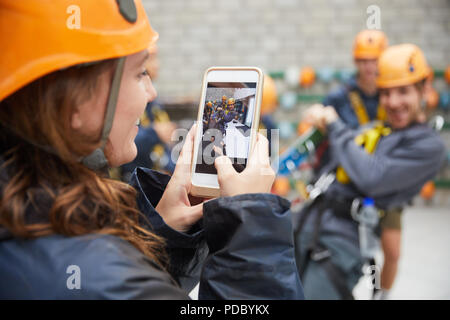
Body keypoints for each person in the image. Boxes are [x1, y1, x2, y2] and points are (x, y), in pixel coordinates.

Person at [0, 0, 304, 299]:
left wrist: (158, 238)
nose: (152, 91)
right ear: (74, 101)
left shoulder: (35, 226)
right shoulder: (100, 275)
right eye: (139, 72)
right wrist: (251, 229)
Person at [293, 44, 446, 300]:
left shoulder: (428, 147)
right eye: (386, 93)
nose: (393, 102)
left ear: (424, 89)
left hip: (340, 242)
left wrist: (334, 124)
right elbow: (342, 154)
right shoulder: (380, 129)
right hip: (309, 221)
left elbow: (373, 177)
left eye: (403, 92)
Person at [319, 30, 405, 298]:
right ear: (356, 62)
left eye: (375, 60)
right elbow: (323, 135)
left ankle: (381, 295)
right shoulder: (339, 97)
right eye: (364, 60)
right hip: (350, 188)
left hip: (386, 184)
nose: (370, 66)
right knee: (346, 252)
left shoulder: (393, 94)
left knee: (391, 251)